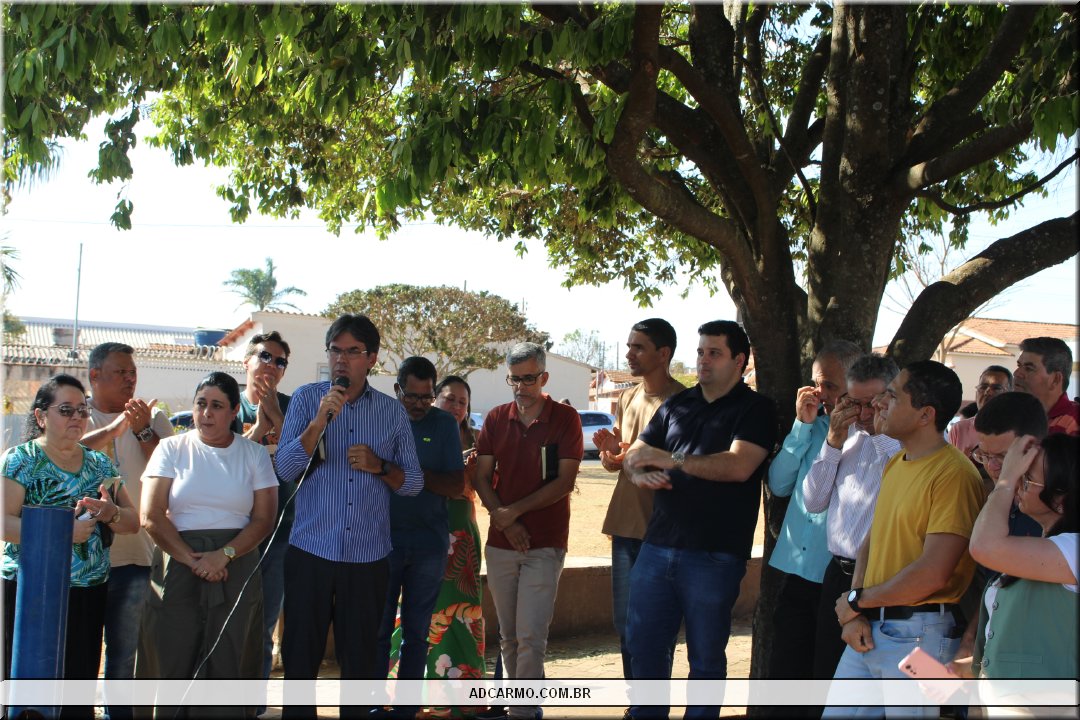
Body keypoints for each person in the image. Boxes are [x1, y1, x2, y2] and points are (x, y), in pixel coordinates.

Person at [623, 320, 777, 720]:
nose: (703, 361)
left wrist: (670, 458)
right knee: (643, 645)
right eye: (700, 352)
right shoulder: (678, 404)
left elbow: (739, 466)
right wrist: (637, 473)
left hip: (714, 555)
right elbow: (636, 454)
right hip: (657, 547)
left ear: (739, 361)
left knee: (706, 659)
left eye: (714, 353)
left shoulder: (756, 409)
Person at [274, 314, 423, 720]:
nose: (341, 360)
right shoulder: (307, 399)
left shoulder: (392, 413)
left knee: (359, 663)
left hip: (367, 557)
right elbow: (285, 469)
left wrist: (380, 466)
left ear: (371, 358)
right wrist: (318, 423)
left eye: (352, 351)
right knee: (300, 658)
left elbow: (413, 483)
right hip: (311, 551)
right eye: (335, 350)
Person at [826, 361, 983, 718]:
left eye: (892, 396)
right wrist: (855, 612)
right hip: (869, 628)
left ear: (926, 415)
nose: (879, 403)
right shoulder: (896, 462)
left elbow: (933, 574)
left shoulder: (954, 475)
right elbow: (870, 541)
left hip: (920, 637)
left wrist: (857, 601)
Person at [137, 371, 277, 717]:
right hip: (177, 559)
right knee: (171, 650)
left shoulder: (253, 454)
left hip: (236, 562)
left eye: (217, 406)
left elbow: (264, 519)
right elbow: (150, 515)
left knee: (229, 653)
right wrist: (193, 560)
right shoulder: (172, 448)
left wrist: (224, 555)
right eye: (201, 404)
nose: (206, 413)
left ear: (234, 411)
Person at [3, 374, 140, 718]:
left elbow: (132, 522)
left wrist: (110, 513)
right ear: (40, 416)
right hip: (30, 591)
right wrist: (63, 532)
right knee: (26, 691)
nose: (77, 417)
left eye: (82, 410)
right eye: (66, 410)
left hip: (87, 591)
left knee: (77, 687)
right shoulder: (20, 460)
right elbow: (3, 524)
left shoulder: (100, 463)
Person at [473, 341, 583, 720]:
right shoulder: (495, 418)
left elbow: (565, 482)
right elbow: (481, 476)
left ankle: (522, 711)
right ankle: (525, 705)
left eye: (529, 379)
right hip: (501, 543)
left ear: (544, 378)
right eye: (514, 379)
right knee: (509, 636)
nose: (521, 387)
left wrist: (513, 514)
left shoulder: (565, 418)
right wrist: (504, 519)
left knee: (531, 636)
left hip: (545, 542)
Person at [79, 342, 173, 720]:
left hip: (137, 556)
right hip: (81, 564)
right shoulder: (75, 415)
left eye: (133, 372)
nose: (130, 379)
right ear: (95, 375)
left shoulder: (154, 417)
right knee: (81, 654)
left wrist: (143, 430)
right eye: (120, 372)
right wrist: (115, 429)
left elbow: (175, 471)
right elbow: (65, 456)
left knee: (125, 656)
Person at [765, 340, 862, 688]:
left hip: (839, 576)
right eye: (817, 385)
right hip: (797, 572)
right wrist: (801, 426)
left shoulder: (872, 438)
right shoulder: (813, 427)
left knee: (824, 675)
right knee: (786, 671)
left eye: (830, 386)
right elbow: (778, 484)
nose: (821, 395)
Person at [594, 318, 685, 681]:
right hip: (624, 526)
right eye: (629, 346)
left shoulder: (683, 401)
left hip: (663, 531)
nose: (629, 354)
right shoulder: (628, 396)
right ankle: (636, 700)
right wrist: (610, 454)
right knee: (625, 623)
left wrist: (635, 454)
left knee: (655, 626)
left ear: (663, 354)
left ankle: (652, 702)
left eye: (638, 347)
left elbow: (684, 463)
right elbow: (617, 462)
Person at [802, 354, 901, 683]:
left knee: (881, 680)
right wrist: (833, 442)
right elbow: (813, 501)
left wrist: (879, 433)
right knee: (826, 674)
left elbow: (902, 469)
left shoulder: (907, 442)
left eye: (873, 403)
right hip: (838, 573)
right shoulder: (846, 435)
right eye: (854, 403)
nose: (864, 413)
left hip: (883, 578)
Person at [377, 356, 464, 720]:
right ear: (397, 389)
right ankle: (372, 704)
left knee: (416, 633)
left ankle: (406, 708)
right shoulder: (380, 419)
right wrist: (405, 474)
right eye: (411, 396)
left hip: (428, 544)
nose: (419, 404)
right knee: (378, 631)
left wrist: (404, 473)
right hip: (382, 541)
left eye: (426, 397)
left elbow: (455, 485)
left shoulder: (443, 424)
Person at [944, 391, 1048, 678]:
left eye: (1003, 457)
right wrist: (970, 643)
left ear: (1033, 448)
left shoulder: (1054, 513)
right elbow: (998, 584)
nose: (991, 466)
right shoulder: (999, 501)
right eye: (983, 455)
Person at [968, 434, 1077, 686]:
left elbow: (984, 546)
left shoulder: (1074, 548)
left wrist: (1005, 480)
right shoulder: (1037, 550)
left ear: (1060, 500)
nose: (1018, 483)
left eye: (1026, 478)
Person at [229, 330, 293, 708]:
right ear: (247, 362)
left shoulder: (294, 406)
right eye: (265, 356)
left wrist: (277, 418)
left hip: (281, 533)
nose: (272, 365)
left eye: (280, 361)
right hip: (232, 534)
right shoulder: (226, 403)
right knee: (229, 622)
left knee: (264, 625)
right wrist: (257, 430)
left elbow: (304, 459)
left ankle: (252, 706)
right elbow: (225, 465)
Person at [1014, 336, 1079, 436]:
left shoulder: (1075, 421)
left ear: (1055, 379)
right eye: (1019, 366)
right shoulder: (1012, 416)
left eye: (1029, 368)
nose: (1016, 373)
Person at [947, 365, 1012, 458]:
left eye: (996, 388)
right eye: (983, 387)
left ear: (1010, 393)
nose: (987, 392)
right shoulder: (959, 430)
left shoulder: (1018, 431)